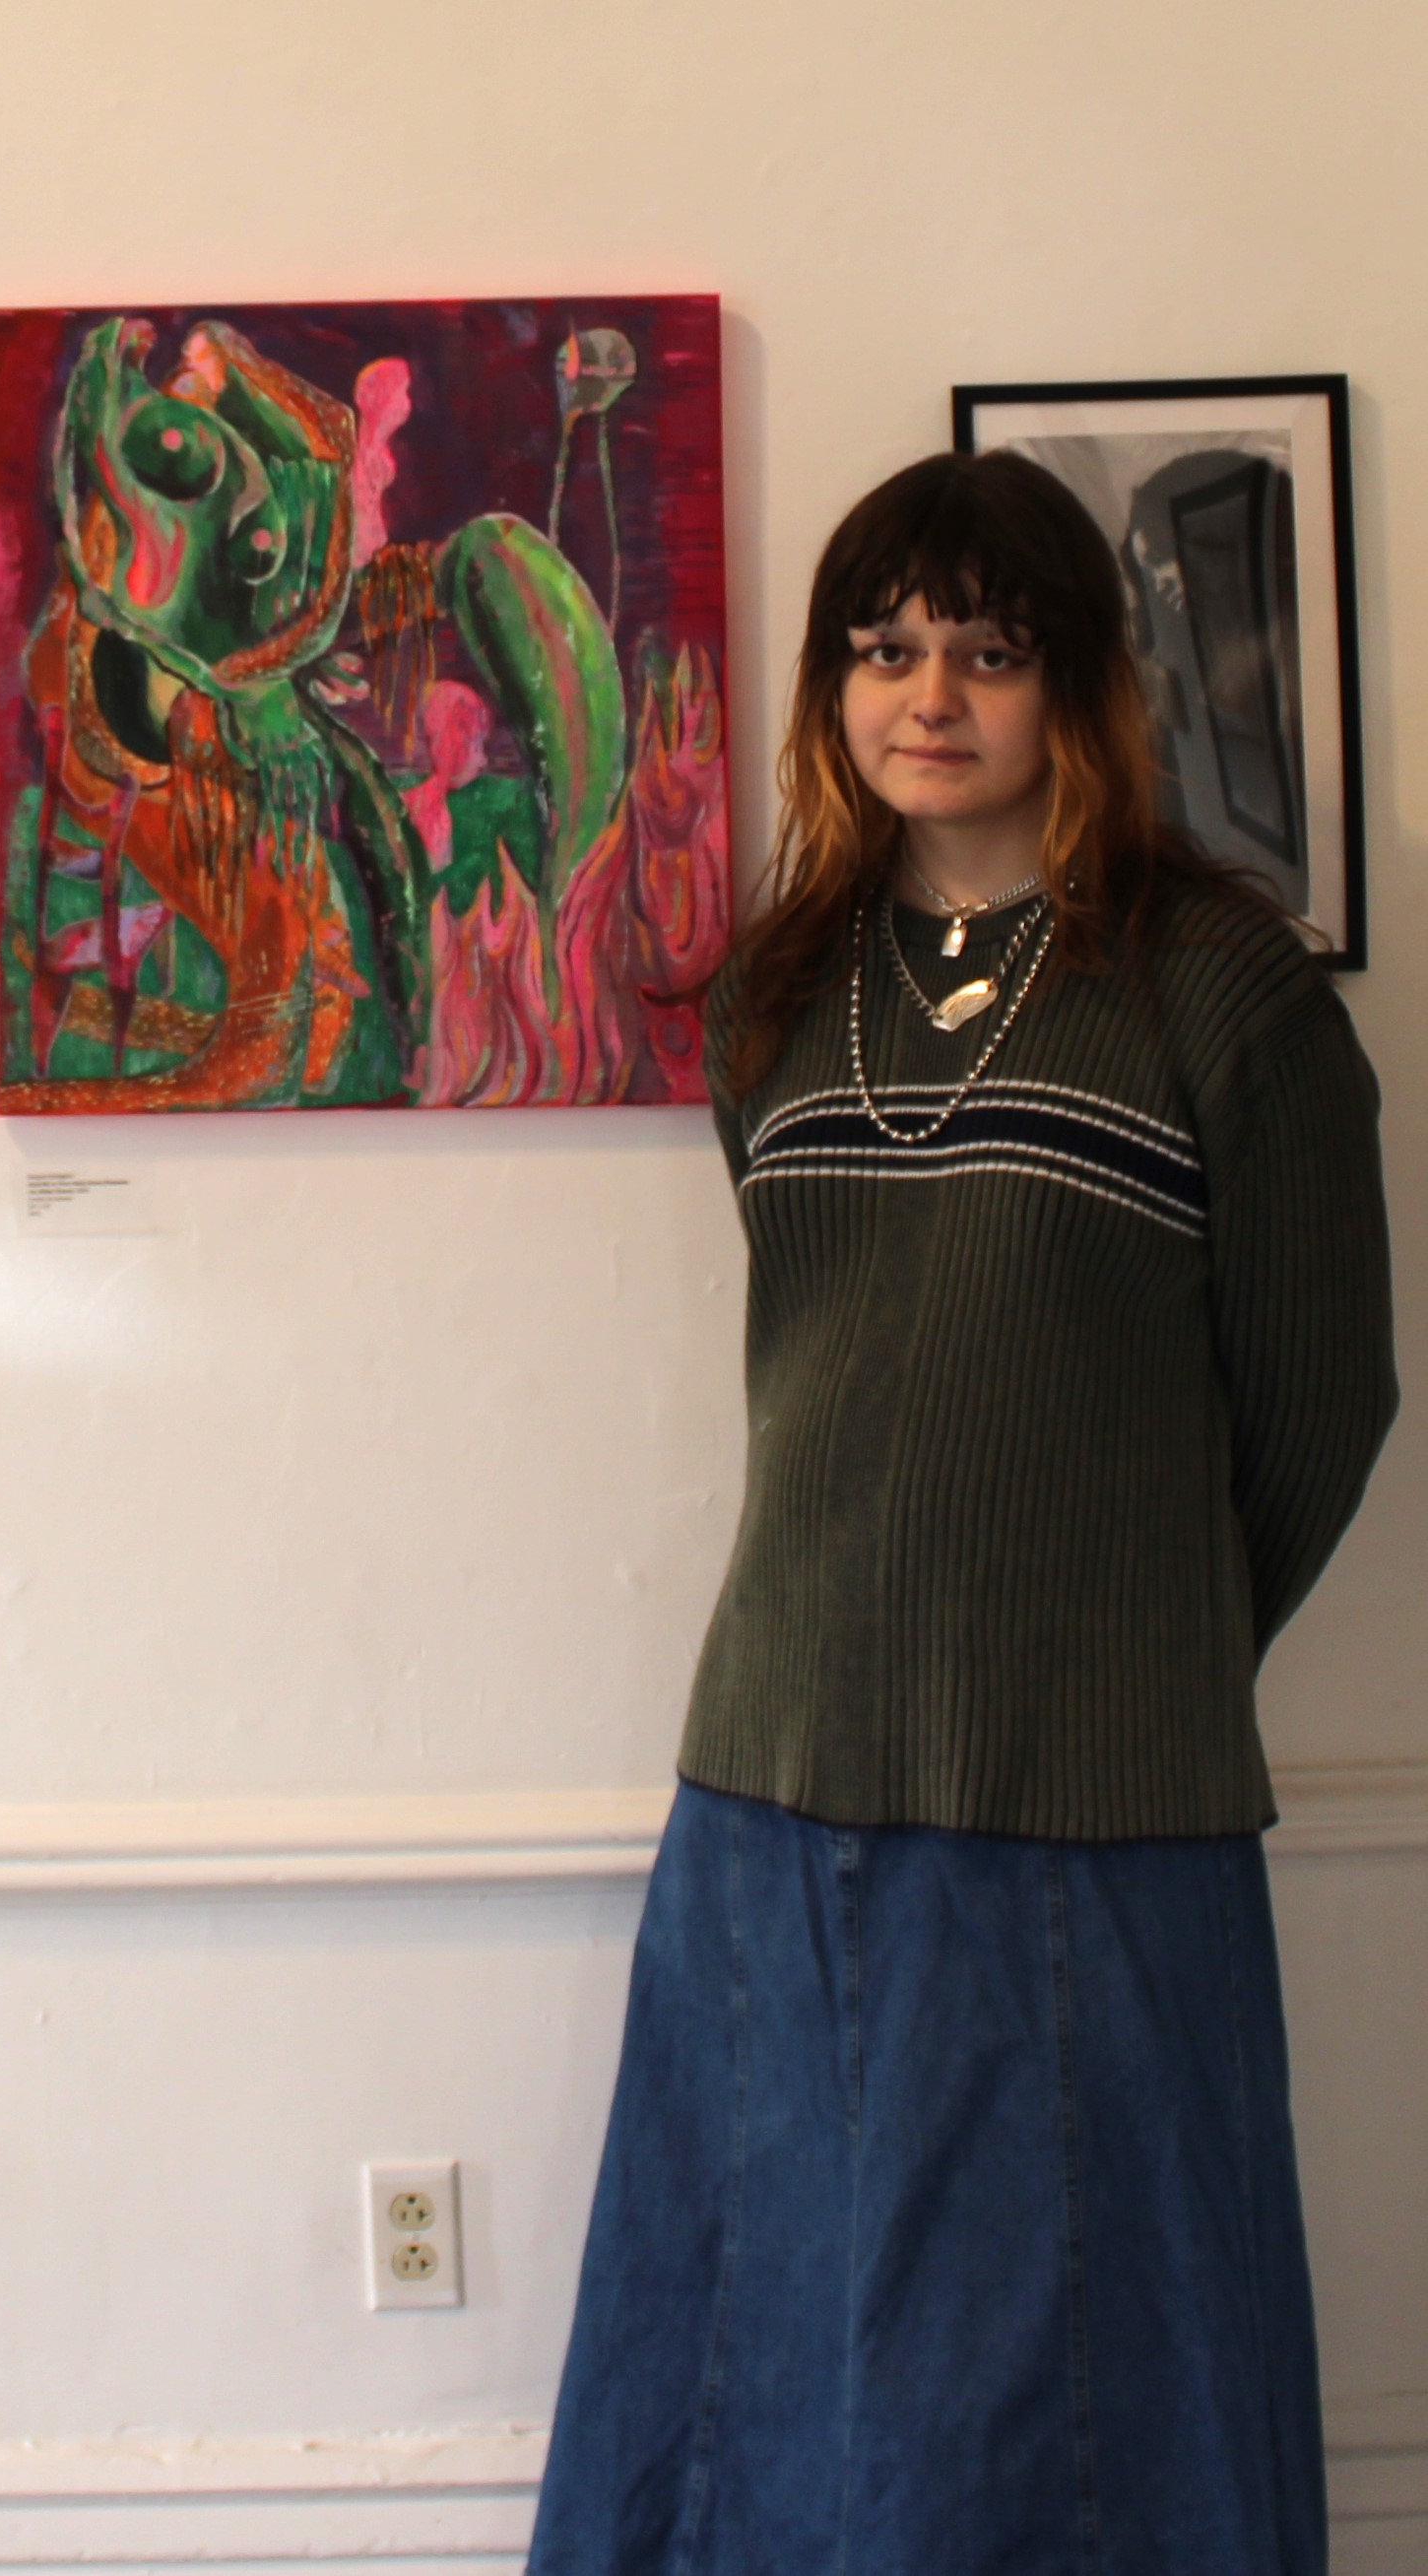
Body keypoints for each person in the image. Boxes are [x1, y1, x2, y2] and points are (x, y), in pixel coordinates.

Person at [526, 450, 1398, 2576]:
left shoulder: (1223, 987)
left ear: (1078, 682)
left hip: (1092, 1809)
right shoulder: (775, 994)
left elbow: (1321, 1401)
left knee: (1074, 2385)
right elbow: (832, 1360)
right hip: (776, 1775)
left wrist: (1131, 1642)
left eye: (988, 654)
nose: (928, 696)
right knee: (765, 2345)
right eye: (884, 648)